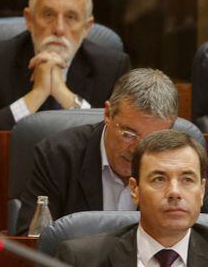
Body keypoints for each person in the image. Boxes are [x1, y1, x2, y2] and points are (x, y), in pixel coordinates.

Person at [16, 68, 184, 235]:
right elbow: (31, 241)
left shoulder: (184, 164)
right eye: (128, 134)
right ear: (108, 114)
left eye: (151, 140)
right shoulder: (57, 156)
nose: (136, 150)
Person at [0, 0, 131, 130]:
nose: (58, 28)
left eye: (71, 17)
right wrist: (37, 94)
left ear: (87, 27)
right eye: (49, 14)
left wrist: (64, 95)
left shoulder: (112, 67)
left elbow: (121, 135)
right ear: (29, 19)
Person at [57, 129, 208, 266]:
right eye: (159, 179)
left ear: (201, 191)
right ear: (135, 190)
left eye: (187, 180)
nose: (175, 192)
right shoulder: (80, 260)